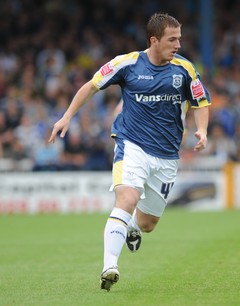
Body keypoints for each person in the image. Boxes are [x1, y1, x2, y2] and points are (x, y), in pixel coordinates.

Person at [48, 13, 211, 291]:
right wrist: (66, 117)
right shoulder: (127, 64)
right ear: (154, 40)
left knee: (148, 224)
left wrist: (203, 130)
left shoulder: (185, 69)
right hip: (131, 144)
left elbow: (201, 101)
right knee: (127, 197)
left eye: (180, 39)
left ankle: (132, 228)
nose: (178, 45)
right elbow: (91, 85)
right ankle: (109, 266)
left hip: (167, 155)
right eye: (172, 40)